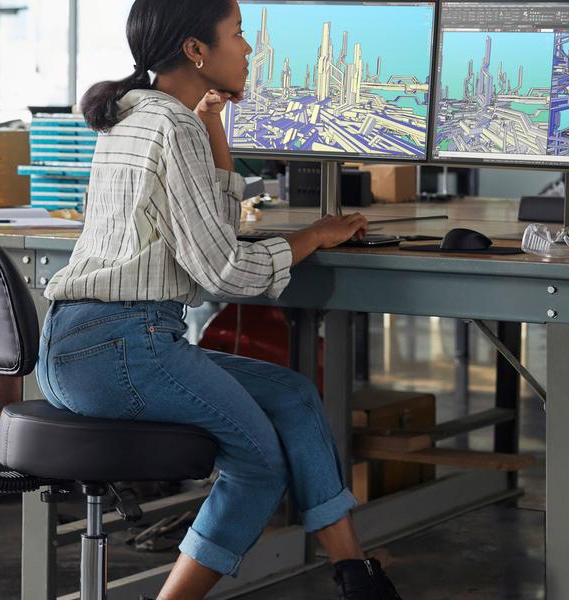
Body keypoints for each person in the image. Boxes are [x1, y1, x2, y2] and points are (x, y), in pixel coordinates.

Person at [40, 1, 399, 598]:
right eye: (237, 36)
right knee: (259, 465)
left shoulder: (139, 113)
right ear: (196, 50)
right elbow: (226, 269)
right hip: (123, 347)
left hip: (85, 343)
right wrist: (311, 236)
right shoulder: (170, 126)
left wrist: (212, 125)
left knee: (292, 394)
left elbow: (214, 224)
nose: (249, 50)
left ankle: (354, 574)